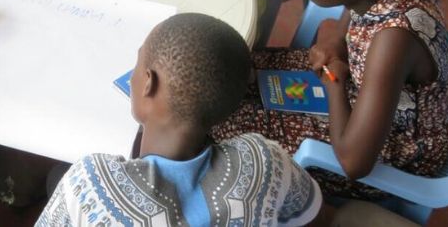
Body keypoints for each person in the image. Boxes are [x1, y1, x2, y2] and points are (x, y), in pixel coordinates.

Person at [212, 0, 448, 199]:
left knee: (224, 126)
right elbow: (354, 10)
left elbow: (354, 162)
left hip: (397, 147)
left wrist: (334, 84)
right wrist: (334, 43)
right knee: (234, 69)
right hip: (364, 92)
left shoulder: (392, 41)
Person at [37, 13, 322, 226]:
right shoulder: (264, 159)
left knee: (54, 177)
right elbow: (306, 210)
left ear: (148, 82)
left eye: (138, 62)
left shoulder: (88, 184)